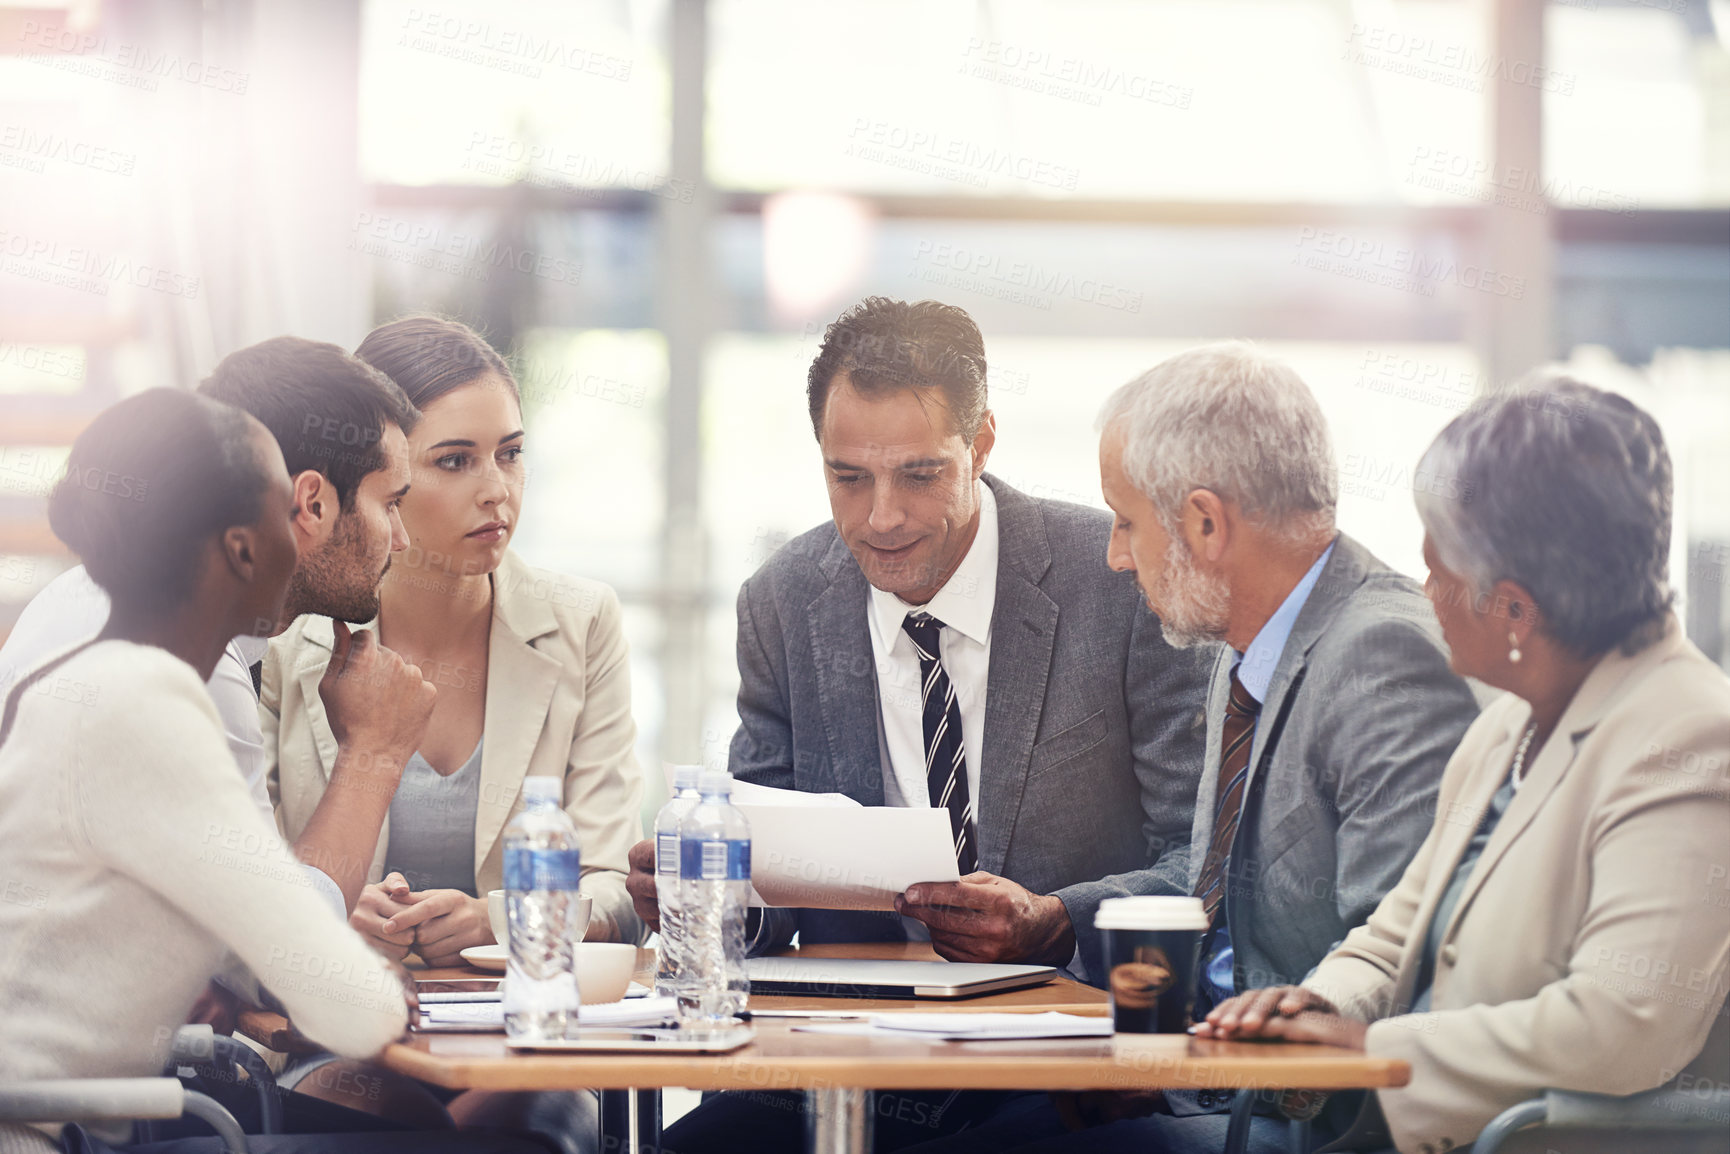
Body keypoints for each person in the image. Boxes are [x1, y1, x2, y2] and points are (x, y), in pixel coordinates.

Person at [639, 298, 1215, 1152]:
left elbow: (1204, 865)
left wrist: (1054, 917)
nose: (880, 518)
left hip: (1072, 1056)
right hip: (853, 1058)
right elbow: (770, 885)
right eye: (848, 478)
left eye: (918, 474)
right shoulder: (785, 602)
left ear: (980, 445)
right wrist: (707, 897)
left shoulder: (1121, 582)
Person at [904, 342, 1482, 1154]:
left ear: (1206, 523)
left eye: (1128, 521)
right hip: (1197, 1076)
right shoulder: (1246, 651)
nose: (1113, 553)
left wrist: (1188, 1070)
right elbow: (1214, 893)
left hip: (1307, 1119)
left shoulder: (1382, 657)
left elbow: (1396, 973)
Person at [1192, 378, 1730, 1154]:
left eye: (1438, 571)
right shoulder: (1512, 719)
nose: (1424, 593)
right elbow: (1396, 931)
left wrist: (1374, 1053)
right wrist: (1317, 1007)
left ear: (1514, 610)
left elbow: (1624, 1023)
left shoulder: (1690, 741)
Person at [0, 389, 544, 1154]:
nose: (304, 532)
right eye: (281, 513)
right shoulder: (148, 702)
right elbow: (344, 1007)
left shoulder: (90, 670)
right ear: (243, 549)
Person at [264, 316, 646, 1147]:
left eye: (510, 453)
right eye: (455, 461)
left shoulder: (582, 625)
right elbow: (248, 897)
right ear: (385, 474)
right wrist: (329, 911)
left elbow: (618, 892)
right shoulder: (283, 646)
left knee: (534, 1132)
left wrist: (500, 919)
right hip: (338, 1040)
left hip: (527, 1048)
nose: (497, 489)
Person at [0, 337, 437, 1042]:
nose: (404, 540)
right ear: (312, 505)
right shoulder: (179, 662)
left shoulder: (103, 605)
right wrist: (376, 752)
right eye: (393, 504)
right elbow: (287, 966)